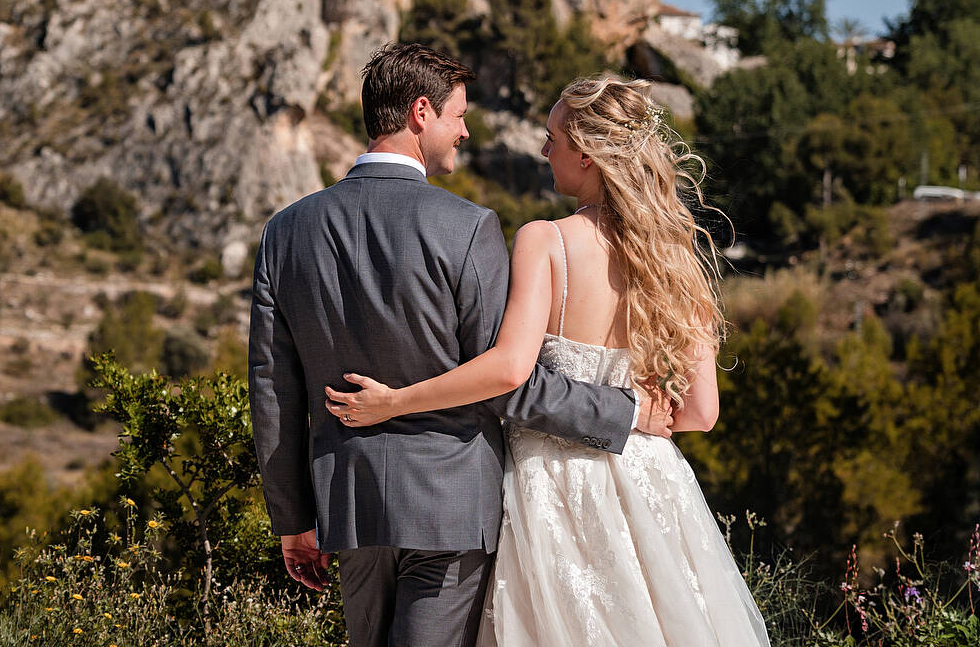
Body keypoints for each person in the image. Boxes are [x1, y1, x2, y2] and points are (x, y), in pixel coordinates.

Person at [248, 45, 673, 647]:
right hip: (451, 505)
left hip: (350, 503)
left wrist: (293, 522)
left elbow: (273, 389)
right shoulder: (467, 227)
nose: (466, 131)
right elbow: (509, 378)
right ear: (422, 113)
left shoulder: (285, 232)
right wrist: (626, 412)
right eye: (458, 115)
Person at [325, 75, 771, 646]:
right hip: (653, 485)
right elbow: (702, 412)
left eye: (552, 136)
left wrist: (394, 402)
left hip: (554, 491)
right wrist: (639, 414)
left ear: (585, 152)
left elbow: (510, 372)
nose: (543, 150)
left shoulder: (545, 240)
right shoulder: (675, 255)